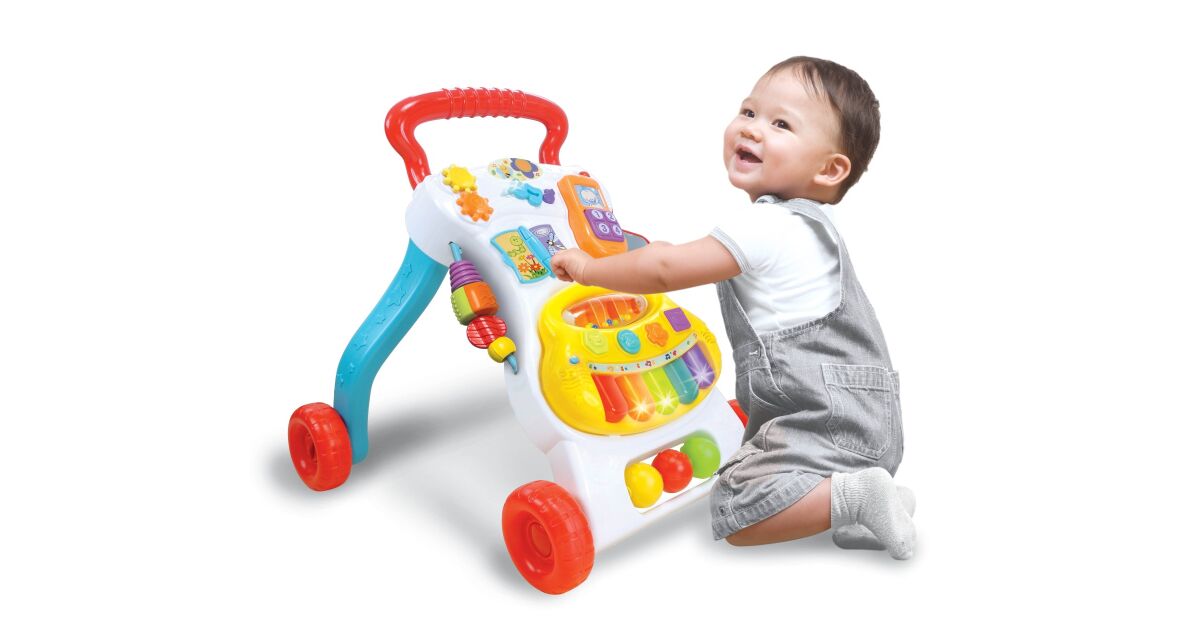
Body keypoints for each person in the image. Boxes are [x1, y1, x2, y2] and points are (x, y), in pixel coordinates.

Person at [550, 56, 916, 559]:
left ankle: (857, 497)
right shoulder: (806, 228)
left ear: (829, 169)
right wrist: (647, 255)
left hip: (826, 418)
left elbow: (664, 270)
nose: (753, 129)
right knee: (760, 463)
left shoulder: (768, 225)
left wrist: (589, 269)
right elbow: (669, 258)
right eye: (749, 112)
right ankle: (873, 498)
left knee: (740, 506)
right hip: (865, 418)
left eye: (781, 124)